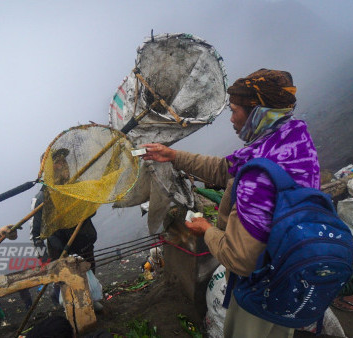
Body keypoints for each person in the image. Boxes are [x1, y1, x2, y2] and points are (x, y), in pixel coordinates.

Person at [142, 69, 320, 338]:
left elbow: (240, 259)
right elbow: (224, 169)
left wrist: (206, 230)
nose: (231, 118)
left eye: (235, 110)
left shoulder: (259, 176)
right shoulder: (290, 142)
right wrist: (173, 155)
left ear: (257, 112)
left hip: (261, 290)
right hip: (292, 272)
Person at [29, 148, 99, 308]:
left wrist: (85, 210)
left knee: (89, 280)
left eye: (64, 161)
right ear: (47, 169)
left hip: (85, 247)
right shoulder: (41, 198)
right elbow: (35, 236)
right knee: (70, 294)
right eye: (57, 162)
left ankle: (91, 304)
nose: (63, 165)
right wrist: (45, 261)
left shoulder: (76, 188)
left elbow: (91, 212)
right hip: (62, 253)